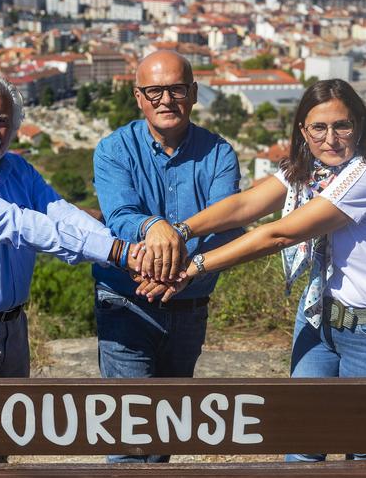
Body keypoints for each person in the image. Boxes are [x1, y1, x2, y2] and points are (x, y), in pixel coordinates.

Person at [149, 78, 366, 462]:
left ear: (359, 126)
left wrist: (194, 266)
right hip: (318, 315)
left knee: (364, 455)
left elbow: (278, 234)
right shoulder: (309, 171)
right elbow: (244, 206)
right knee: (301, 439)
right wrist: (182, 230)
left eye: (341, 126)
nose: (330, 139)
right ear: (303, 131)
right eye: (318, 128)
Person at [0, 71, 139, 464]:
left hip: (10, 327)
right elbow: (16, 224)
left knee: (0, 447)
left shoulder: (17, 169)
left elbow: (58, 211)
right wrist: (117, 252)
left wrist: (121, 248)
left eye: (1, 121)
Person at [91, 50, 242, 463]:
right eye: (154, 90)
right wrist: (152, 226)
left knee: (164, 432)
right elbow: (120, 215)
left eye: (176, 89)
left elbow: (224, 222)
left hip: (189, 305)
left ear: (193, 94)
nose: (165, 99)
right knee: (127, 432)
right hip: (126, 303)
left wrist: (181, 271)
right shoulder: (113, 150)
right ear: (138, 97)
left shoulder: (219, 154)